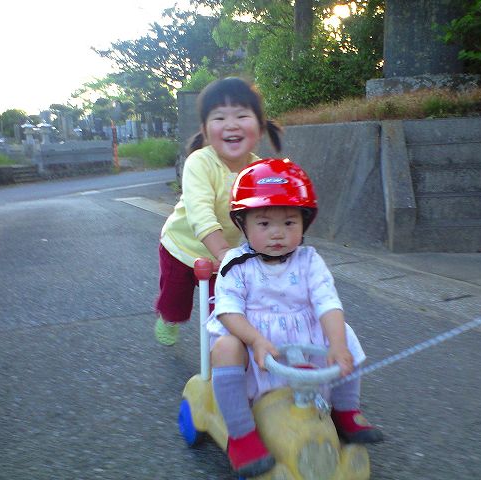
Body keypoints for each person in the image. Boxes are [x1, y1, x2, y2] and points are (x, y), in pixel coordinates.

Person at [207, 158, 383, 477]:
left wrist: (337, 344)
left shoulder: (309, 260)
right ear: (242, 224)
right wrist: (255, 340)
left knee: (344, 333)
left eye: (289, 223)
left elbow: (327, 302)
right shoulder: (235, 263)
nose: (277, 233)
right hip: (254, 343)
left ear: (304, 222)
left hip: (303, 340)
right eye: (264, 224)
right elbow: (228, 310)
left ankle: (345, 409)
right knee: (224, 348)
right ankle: (241, 434)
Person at [154, 77, 282, 346]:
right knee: (175, 303)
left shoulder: (260, 171)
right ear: (205, 130)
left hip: (224, 257)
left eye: (242, 115)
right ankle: (168, 318)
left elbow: (267, 215)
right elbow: (200, 212)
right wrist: (223, 252)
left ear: (260, 128)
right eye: (220, 117)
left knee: (225, 312)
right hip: (181, 248)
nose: (231, 124)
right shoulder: (199, 163)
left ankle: (223, 355)